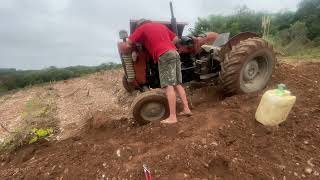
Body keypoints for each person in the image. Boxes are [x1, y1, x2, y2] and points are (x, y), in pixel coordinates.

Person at [127, 19, 192, 124]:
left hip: (164, 55)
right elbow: (176, 39)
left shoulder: (142, 28)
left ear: (140, 25)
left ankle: (172, 117)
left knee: (168, 85)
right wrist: (167, 45)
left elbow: (129, 42)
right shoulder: (160, 26)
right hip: (174, 53)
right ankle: (186, 109)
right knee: (177, 84)